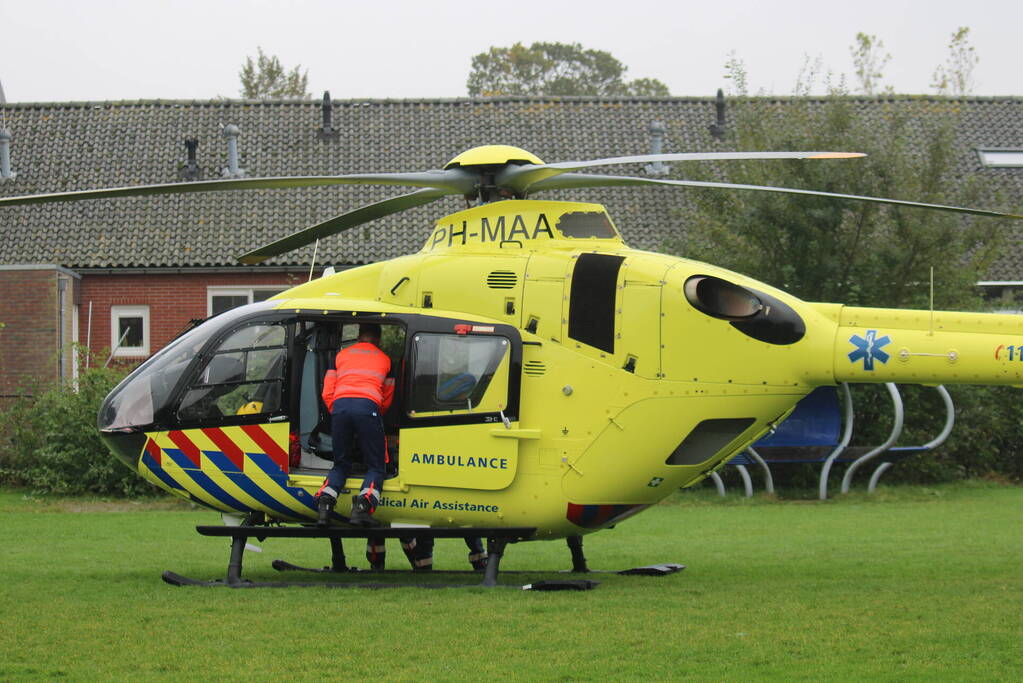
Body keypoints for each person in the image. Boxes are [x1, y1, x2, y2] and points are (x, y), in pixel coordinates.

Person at [316, 323, 395, 527]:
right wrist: (373, 415)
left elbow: (327, 390)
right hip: (368, 407)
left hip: (340, 407)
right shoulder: (385, 359)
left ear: (359, 336)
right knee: (377, 466)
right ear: (378, 339)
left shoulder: (341, 356)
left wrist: (340, 410)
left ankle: (324, 505)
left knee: (341, 464)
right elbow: (387, 398)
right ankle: (363, 507)